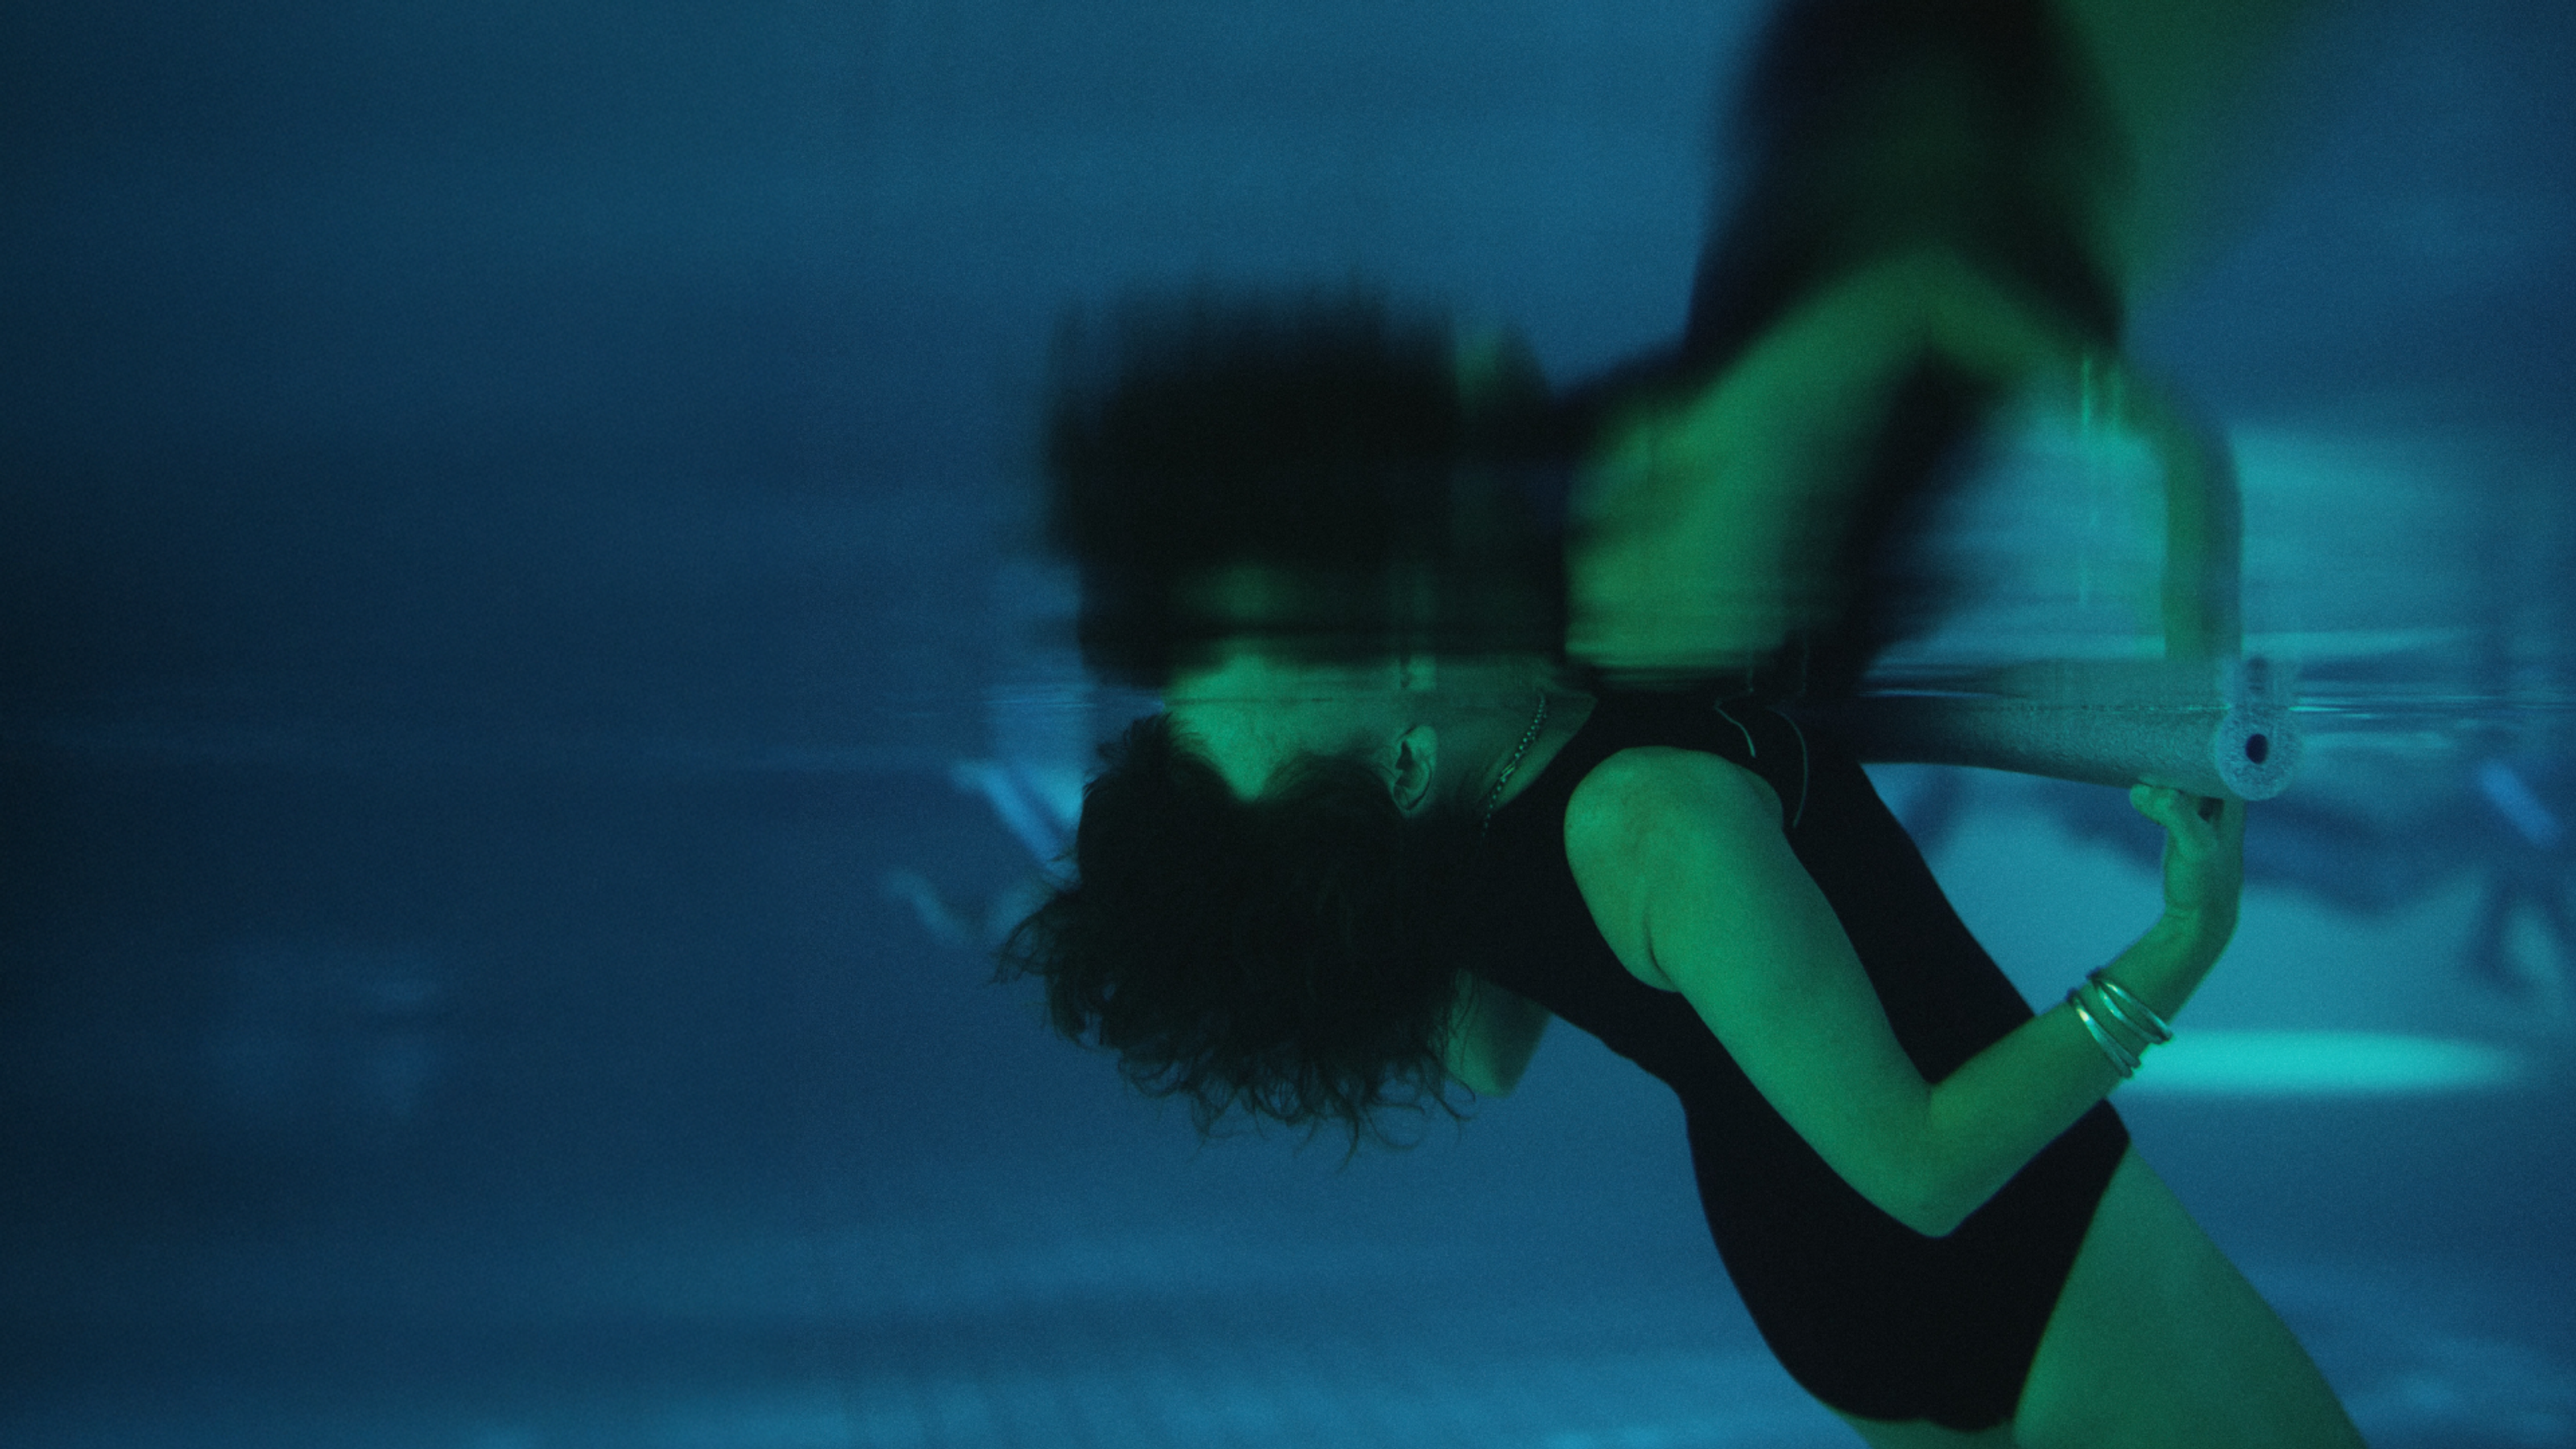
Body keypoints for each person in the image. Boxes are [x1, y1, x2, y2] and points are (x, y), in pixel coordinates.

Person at [1004, 2, 2366, 1443]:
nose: (1294, 608)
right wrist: (2176, 954)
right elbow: (1921, 1164)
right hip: (1976, 1249)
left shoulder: (1476, 815)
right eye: (1294, 656)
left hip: (1839, 1282)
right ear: (1395, 762)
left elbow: (1488, 1052)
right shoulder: (1653, 822)